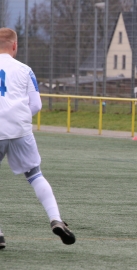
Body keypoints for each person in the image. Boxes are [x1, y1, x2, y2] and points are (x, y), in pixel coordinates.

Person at [0, 27, 76, 249]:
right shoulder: (25, 70)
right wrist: (20, 119)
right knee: (35, 175)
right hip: (20, 130)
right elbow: (36, 105)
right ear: (14, 45)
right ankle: (56, 220)